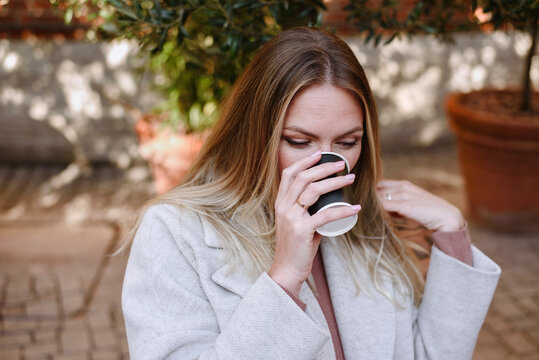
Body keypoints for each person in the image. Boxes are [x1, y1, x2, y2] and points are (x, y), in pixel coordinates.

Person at [122, 27, 501, 360]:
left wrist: (452, 232)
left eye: (348, 141)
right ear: (256, 134)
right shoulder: (175, 232)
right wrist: (285, 277)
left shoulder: (364, 227)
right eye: (299, 141)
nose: (325, 163)